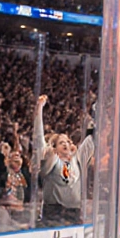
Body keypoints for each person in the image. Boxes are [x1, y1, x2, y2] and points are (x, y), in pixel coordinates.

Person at [35, 95, 92, 227]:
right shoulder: (51, 161)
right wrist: (39, 109)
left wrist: (92, 118)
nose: (66, 144)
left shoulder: (76, 160)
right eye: (61, 142)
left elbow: (91, 139)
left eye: (67, 141)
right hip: (53, 215)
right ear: (55, 147)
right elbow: (38, 137)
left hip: (75, 214)